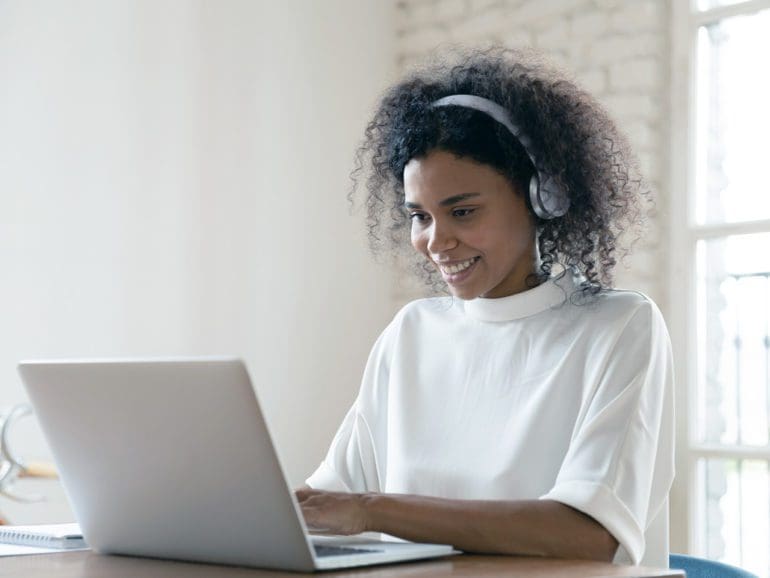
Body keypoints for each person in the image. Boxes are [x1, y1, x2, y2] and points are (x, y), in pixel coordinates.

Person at [296, 47, 674, 568]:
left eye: (463, 211)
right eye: (420, 217)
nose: (435, 241)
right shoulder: (413, 333)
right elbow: (328, 503)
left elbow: (589, 534)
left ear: (543, 197)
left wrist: (372, 510)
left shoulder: (619, 328)